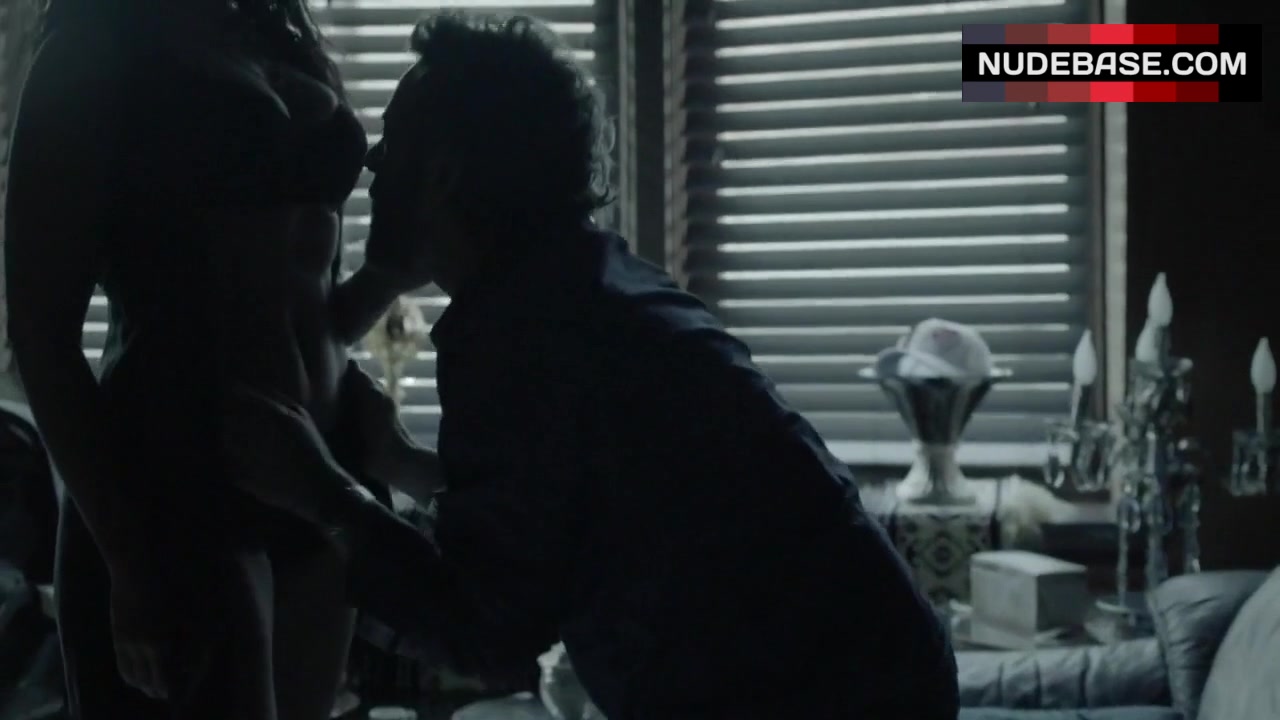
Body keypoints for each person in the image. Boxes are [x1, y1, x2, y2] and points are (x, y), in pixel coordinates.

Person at [226, 11, 960, 720]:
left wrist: (325, 497)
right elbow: (579, 515)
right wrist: (404, 463)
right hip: (881, 677)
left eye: (394, 142)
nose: (372, 164)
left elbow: (493, 632)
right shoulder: (589, 287)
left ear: (443, 173)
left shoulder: (524, 341)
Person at [3, 1, 437, 718]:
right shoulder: (96, 47)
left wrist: (384, 282)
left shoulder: (279, 31)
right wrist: (128, 559)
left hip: (318, 474)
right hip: (173, 483)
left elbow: (303, 308)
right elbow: (40, 334)